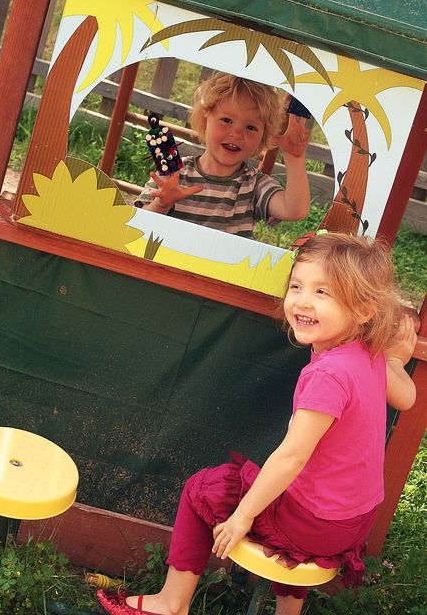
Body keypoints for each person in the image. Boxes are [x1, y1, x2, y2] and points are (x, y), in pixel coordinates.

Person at [96, 233, 417, 615]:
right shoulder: (369, 351)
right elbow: (407, 398)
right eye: (297, 285)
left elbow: (291, 458)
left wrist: (242, 517)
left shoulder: (329, 375)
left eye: (322, 293)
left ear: (364, 310)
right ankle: (287, 611)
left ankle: (170, 602)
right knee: (293, 489)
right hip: (353, 523)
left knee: (203, 488)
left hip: (313, 525)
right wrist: (396, 359)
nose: (302, 300)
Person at [134, 72, 311, 238]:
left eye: (251, 127)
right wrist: (162, 203)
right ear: (205, 119)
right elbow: (137, 227)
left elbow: (294, 211)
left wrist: (294, 157)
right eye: (226, 120)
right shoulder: (173, 173)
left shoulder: (254, 185)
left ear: (262, 137)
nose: (237, 133)